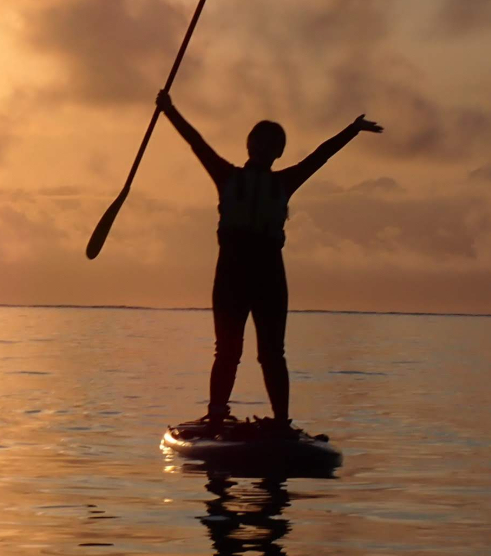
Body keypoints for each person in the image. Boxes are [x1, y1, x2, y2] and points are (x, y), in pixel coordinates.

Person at [155, 91, 382, 435]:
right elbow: (196, 142)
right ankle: (217, 414)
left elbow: (320, 156)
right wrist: (169, 110)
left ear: (277, 152)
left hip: (269, 278)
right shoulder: (227, 176)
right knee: (228, 350)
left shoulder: (283, 182)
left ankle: (280, 421)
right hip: (232, 276)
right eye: (259, 143)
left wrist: (352, 130)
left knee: (272, 353)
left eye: (271, 145)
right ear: (249, 146)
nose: (263, 150)